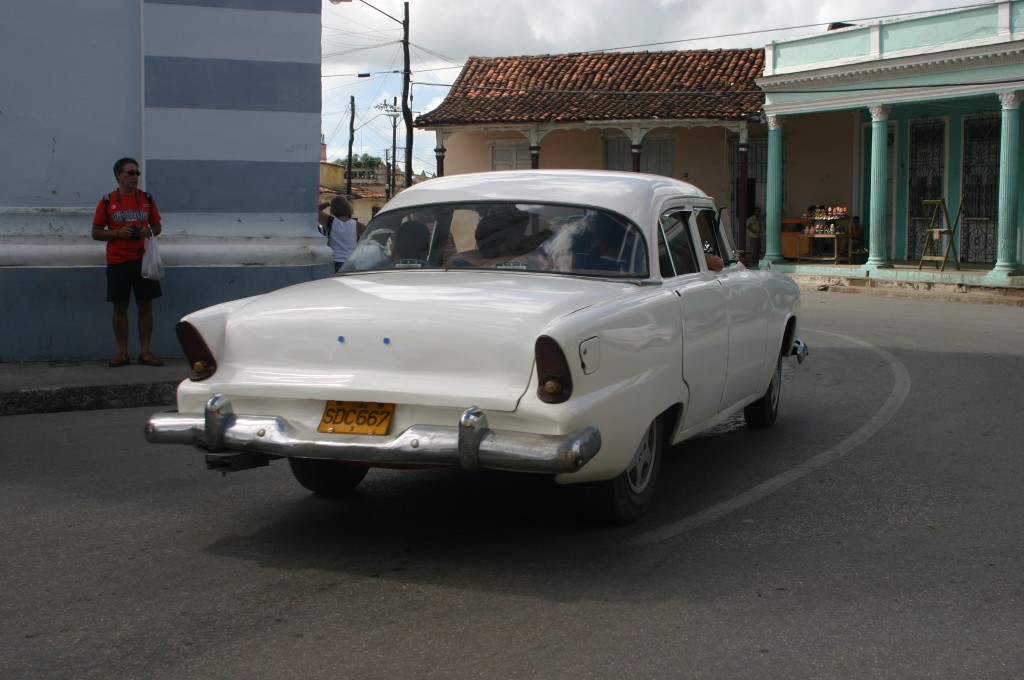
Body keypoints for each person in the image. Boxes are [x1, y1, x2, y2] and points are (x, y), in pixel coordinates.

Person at [91, 157, 164, 367]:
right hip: (118, 261)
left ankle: (145, 352)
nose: (135, 177)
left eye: (137, 173)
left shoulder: (147, 199)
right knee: (120, 306)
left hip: (143, 260)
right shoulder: (107, 201)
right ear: (119, 175)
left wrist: (147, 230)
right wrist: (118, 233)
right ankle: (122, 352)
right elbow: (95, 233)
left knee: (146, 305)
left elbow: (157, 227)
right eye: (130, 173)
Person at [318, 196, 366, 272]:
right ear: (348, 208)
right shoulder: (357, 225)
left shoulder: (328, 221)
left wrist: (330, 202)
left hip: (334, 261)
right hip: (351, 262)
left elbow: (316, 210)